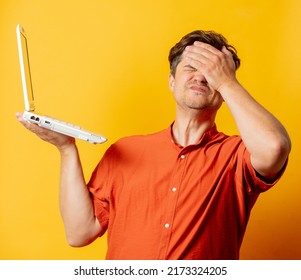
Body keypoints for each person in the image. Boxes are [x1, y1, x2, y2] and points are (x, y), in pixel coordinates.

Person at [16, 30, 291, 260]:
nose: (200, 76)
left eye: (211, 71)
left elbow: (275, 147)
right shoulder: (125, 152)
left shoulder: (237, 156)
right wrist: (66, 149)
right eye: (191, 68)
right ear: (172, 81)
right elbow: (79, 232)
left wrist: (226, 80)